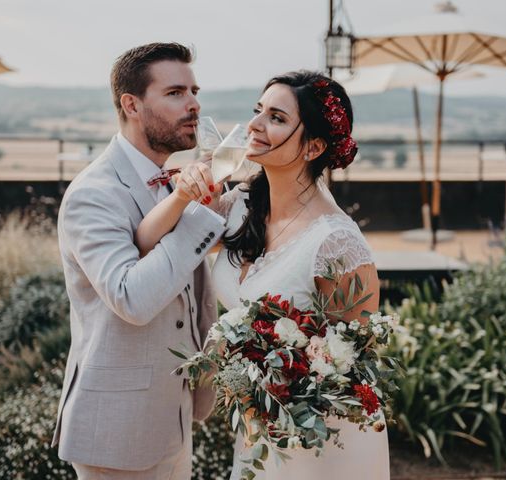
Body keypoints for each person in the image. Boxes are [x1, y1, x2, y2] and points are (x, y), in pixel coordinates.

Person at [136, 70, 390, 479]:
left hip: (322, 445)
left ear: (314, 147)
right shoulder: (240, 204)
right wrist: (184, 193)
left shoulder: (338, 245)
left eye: (276, 118)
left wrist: (274, 381)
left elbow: (353, 371)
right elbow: (147, 242)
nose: (254, 125)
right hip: (259, 434)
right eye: (258, 111)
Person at [52, 42, 226, 480]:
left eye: (194, 90)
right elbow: (131, 298)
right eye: (175, 93)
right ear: (131, 104)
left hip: (173, 418)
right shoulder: (94, 193)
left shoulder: (172, 179)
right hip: (117, 433)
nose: (194, 104)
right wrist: (195, 215)